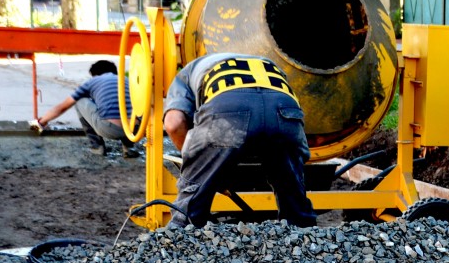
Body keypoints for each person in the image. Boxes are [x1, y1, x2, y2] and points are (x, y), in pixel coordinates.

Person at [162, 53, 317, 230]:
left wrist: (199, 165)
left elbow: (174, 124)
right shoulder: (264, 63)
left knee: (189, 210)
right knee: (295, 200)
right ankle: (307, 242)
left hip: (228, 111)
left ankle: (180, 241)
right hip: (285, 110)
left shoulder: (187, 73)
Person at [35, 60, 140, 158]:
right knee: (128, 106)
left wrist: (42, 121)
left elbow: (63, 106)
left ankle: (97, 147)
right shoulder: (128, 81)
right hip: (135, 131)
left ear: (95, 75)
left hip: (109, 129)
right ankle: (129, 148)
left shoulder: (92, 82)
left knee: (80, 100)